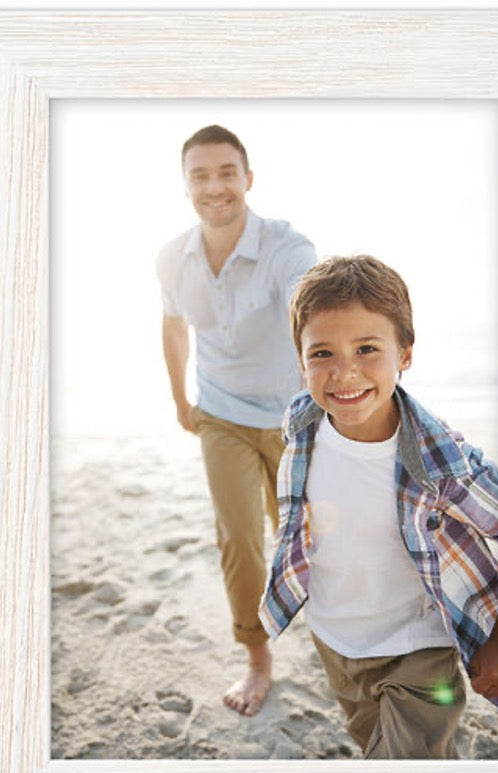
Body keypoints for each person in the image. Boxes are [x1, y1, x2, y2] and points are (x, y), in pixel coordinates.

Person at [258, 255, 498, 758]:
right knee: (387, 750)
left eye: (367, 348)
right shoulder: (302, 425)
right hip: (335, 638)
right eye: (322, 353)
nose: (344, 372)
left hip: (418, 649)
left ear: (405, 354)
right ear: (301, 361)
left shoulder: (444, 463)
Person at [157, 125, 317, 716]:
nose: (215, 186)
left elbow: (309, 308)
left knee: (303, 537)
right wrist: (180, 401)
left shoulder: (286, 248)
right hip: (220, 412)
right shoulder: (173, 257)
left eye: (227, 172)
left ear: (247, 179)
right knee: (240, 539)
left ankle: (334, 638)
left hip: (291, 417)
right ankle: (257, 659)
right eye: (200, 175)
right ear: (186, 186)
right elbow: (173, 327)